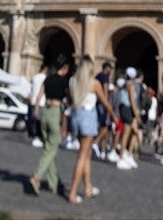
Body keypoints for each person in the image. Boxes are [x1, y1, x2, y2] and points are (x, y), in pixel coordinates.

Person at [65, 55, 115, 204]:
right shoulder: (94, 83)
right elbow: (105, 103)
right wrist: (113, 115)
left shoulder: (72, 81)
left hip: (76, 116)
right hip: (88, 117)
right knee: (82, 155)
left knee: (85, 154)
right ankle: (73, 193)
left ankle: (88, 187)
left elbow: (69, 100)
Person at [30, 55, 70, 196]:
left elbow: (38, 97)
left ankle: (53, 184)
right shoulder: (64, 82)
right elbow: (68, 101)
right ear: (64, 68)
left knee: (48, 148)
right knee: (52, 149)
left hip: (44, 112)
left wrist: (36, 111)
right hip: (54, 113)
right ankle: (36, 177)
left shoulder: (47, 79)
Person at [92, 61, 114, 158]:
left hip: (96, 102)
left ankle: (103, 149)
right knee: (105, 125)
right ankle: (96, 143)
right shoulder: (105, 77)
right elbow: (105, 89)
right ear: (107, 68)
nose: (111, 71)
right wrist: (106, 102)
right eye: (110, 69)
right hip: (102, 103)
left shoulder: (97, 76)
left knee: (101, 126)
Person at [29, 62, 48, 146]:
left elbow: (31, 90)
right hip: (42, 102)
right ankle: (39, 137)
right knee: (40, 121)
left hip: (33, 101)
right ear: (45, 69)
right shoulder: (45, 78)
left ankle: (34, 136)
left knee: (34, 120)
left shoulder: (34, 77)